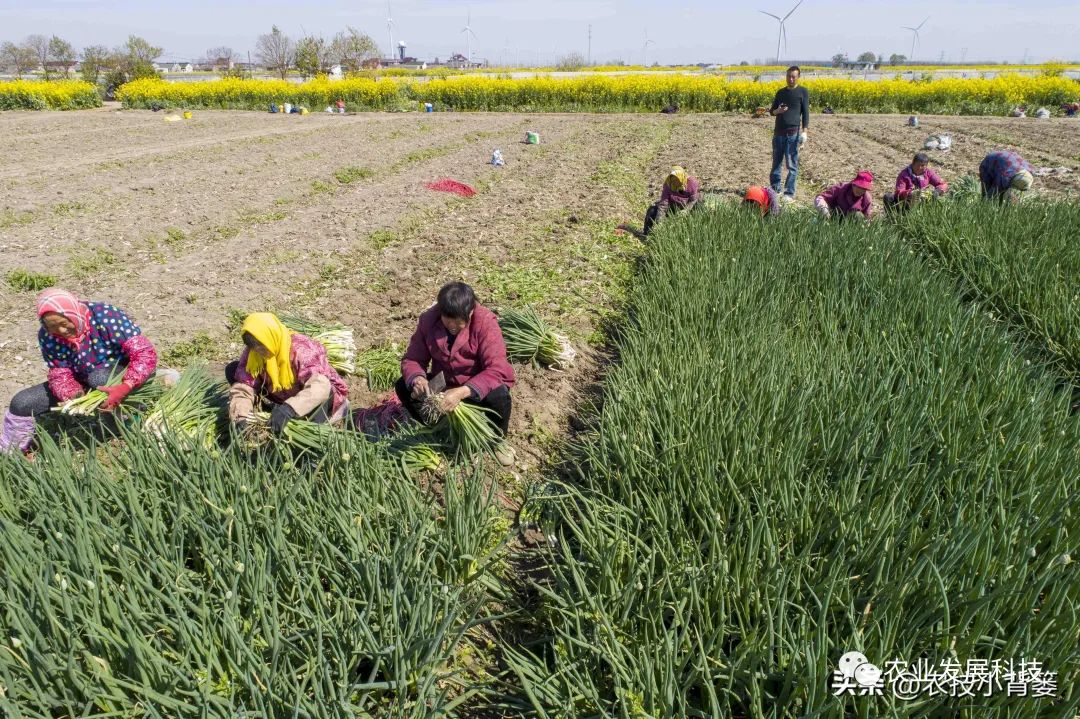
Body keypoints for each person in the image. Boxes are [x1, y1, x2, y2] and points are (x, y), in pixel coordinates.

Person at [1, 288, 158, 454]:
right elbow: (60, 373)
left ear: (73, 313)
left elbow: (144, 353)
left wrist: (126, 385)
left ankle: (121, 423)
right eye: (53, 327)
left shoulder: (105, 316)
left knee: (99, 378)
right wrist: (73, 395)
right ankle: (11, 452)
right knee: (21, 402)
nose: (61, 331)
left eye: (64, 323)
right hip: (84, 381)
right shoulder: (47, 336)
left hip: (126, 375)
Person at [396, 282, 516, 465]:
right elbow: (412, 359)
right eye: (447, 319)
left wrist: (461, 392)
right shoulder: (429, 320)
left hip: (477, 386)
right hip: (446, 383)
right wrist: (418, 378)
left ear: (469, 313)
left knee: (499, 394)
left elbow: (496, 369)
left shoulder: (485, 322)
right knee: (403, 386)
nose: (451, 326)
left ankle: (497, 440)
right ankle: (439, 428)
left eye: (457, 321)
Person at [227, 313, 349, 436]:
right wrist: (240, 416)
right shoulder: (254, 352)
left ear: (271, 336)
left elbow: (320, 387)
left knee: (317, 407)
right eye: (255, 349)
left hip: (318, 394)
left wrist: (290, 408)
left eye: (263, 348)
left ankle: (319, 424)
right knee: (233, 370)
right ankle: (267, 410)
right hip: (284, 393)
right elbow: (244, 386)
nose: (260, 353)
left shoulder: (301, 349)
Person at [769, 65, 810, 202]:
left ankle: (789, 193)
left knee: (792, 165)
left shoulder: (803, 92)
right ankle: (775, 189)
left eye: (793, 76)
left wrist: (805, 132)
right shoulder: (780, 92)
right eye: (788, 76)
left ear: (798, 77)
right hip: (778, 133)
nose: (790, 79)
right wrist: (778, 111)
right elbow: (771, 111)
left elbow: (805, 114)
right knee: (776, 163)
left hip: (793, 134)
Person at [643, 166, 700, 236]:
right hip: (673, 206)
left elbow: (693, 200)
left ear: (681, 177)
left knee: (699, 206)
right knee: (652, 210)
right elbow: (663, 204)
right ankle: (647, 235)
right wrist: (659, 221)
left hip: (687, 206)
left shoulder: (692, 183)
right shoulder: (668, 185)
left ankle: (695, 233)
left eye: (677, 180)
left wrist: (686, 210)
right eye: (673, 180)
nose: (675, 182)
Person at [884, 153, 949, 211]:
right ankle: (892, 217)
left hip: (922, 200)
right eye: (918, 165)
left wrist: (937, 191)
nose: (920, 168)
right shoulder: (904, 174)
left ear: (926, 166)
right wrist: (910, 193)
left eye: (923, 165)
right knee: (888, 197)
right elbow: (899, 191)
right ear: (913, 164)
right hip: (905, 202)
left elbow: (942, 184)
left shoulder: (928, 173)